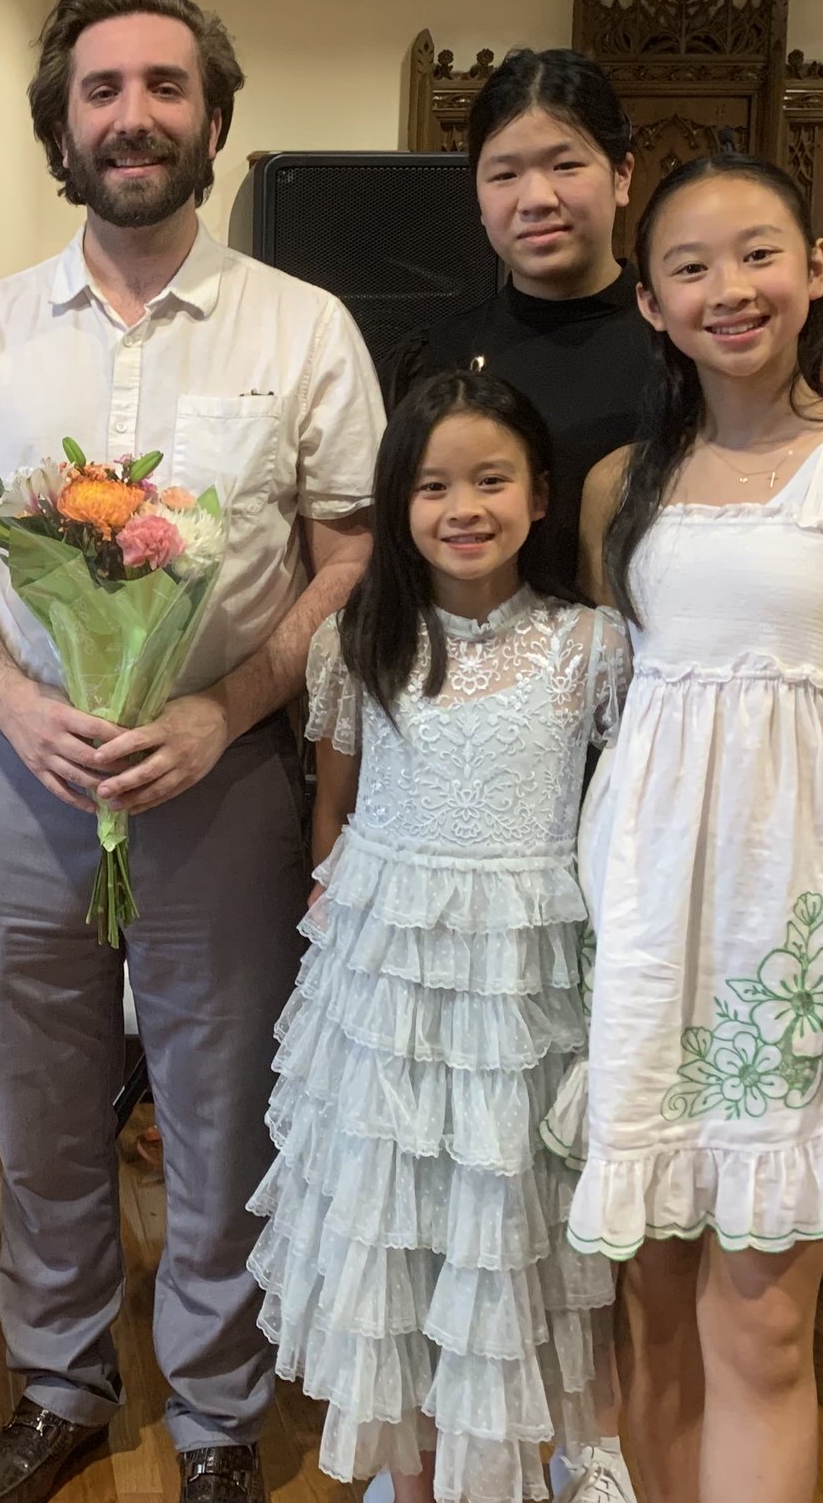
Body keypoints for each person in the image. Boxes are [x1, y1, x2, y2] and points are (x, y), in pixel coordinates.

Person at [0, 0, 385, 1503]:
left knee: (221, 1105)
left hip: (220, 777)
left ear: (214, 121)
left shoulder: (302, 327)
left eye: (167, 87)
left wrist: (225, 705)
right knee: (36, 1105)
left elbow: (355, 546)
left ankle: (222, 1410)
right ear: (62, 128)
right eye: (102, 91)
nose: (135, 115)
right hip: (20, 780)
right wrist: (19, 704)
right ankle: (58, 1376)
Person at [569, 151, 823, 1503]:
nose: (729, 287)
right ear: (650, 301)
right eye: (690, 264)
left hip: (791, 934)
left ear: (818, 268)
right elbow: (613, 710)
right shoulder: (623, 485)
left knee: (762, 1320)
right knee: (652, 1316)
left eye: (758, 252)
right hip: (643, 932)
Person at [251, 370, 625, 1503]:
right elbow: (336, 799)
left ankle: (527, 1462)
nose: (462, 507)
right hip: (389, 972)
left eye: (490, 480)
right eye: (430, 487)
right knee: (399, 1232)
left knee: (509, 1220)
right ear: (397, 505)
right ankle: (413, 1477)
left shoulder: (591, 647)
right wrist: (330, 902)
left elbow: (615, 811)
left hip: (525, 981)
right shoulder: (361, 644)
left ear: (541, 494)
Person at [396, 48, 823, 588]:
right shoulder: (437, 358)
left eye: (566, 165)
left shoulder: (699, 333)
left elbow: (806, 450)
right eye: (503, 175)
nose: (536, 197)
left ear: (622, 176)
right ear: (476, 193)